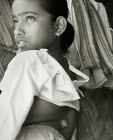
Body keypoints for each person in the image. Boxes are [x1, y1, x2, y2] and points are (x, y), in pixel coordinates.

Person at [0, 0, 89, 139]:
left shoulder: (28, 60)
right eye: (16, 20)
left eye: (30, 18)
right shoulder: (67, 71)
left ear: (59, 25)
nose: (17, 30)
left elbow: (4, 123)